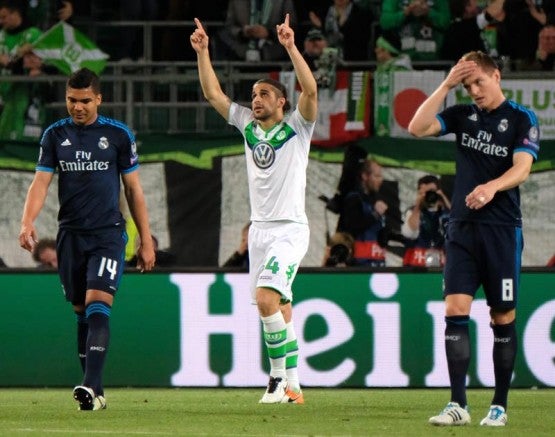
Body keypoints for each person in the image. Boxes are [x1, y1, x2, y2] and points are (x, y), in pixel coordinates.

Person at [408, 50, 539, 426]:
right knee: (454, 311)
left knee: (502, 316)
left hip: (502, 230)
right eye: (467, 85)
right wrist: (446, 85)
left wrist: (491, 188)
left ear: (496, 75)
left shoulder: (521, 118)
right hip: (462, 228)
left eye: (478, 82)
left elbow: (523, 168)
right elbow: (416, 127)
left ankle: (498, 405)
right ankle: (458, 405)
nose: (474, 90)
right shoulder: (463, 115)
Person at [190, 14, 317, 403]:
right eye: (252, 94)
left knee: (265, 300)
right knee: (280, 304)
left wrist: (291, 47)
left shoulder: (298, 127)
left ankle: (276, 379)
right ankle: (294, 383)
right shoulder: (247, 125)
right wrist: (203, 51)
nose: (255, 100)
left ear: (281, 101)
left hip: (290, 227)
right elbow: (214, 95)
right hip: (260, 230)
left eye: (263, 94)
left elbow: (310, 90)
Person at [18, 67, 156, 411]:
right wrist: (27, 221)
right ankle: (94, 395)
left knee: (98, 306)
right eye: (71, 100)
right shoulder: (54, 135)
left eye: (84, 101)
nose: (77, 107)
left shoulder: (119, 135)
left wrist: (146, 239)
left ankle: (91, 385)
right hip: (70, 237)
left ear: (98, 99)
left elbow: (134, 189)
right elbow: (41, 183)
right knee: (81, 311)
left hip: (107, 235)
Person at [0, 0, 43, 140]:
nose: (1, 21)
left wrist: (22, 55)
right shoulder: (0, 35)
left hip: (24, 91)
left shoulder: (33, 34)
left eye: (4, 17)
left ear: (15, 14)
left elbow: (43, 60)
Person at [337, 158, 389, 267]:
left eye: (381, 176)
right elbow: (352, 227)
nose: (381, 180)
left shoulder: (378, 200)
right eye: (377, 176)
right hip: (358, 266)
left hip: (378, 264)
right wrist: (375, 215)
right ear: (365, 176)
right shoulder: (354, 199)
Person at [214, 0, 297, 61]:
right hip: (241, 53)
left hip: (275, 54)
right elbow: (229, 26)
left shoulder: (283, 2)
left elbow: (291, 25)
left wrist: (268, 33)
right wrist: (242, 32)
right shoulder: (236, 2)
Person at [401, 175, 451, 267]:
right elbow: (409, 233)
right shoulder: (412, 212)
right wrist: (418, 204)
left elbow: (457, 229)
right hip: (416, 266)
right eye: (425, 192)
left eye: (432, 191)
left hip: (440, 266)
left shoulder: (445, 213)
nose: (429, 195)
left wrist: (443, 198)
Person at [379, 0, 451, 61]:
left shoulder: (439, 2)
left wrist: (428, 12)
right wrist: (406, 12)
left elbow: (446, 22)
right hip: (400, 60)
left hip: (433, 59)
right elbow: (385, 22)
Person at [373, 30, 412, 137]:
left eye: (378, 47)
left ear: (386, 50)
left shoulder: (401, 70)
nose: (375, 50)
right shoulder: (380, 69)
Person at [308, 0, 373, 61]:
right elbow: (321, 36)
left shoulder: (362, 13)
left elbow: (362, 40)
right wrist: (319, 27)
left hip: (352, 61)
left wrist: (343, 27)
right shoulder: (324, 12)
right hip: (327, 59)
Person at [441, 0, 506, 61]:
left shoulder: (455, 27)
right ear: (467, 7)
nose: (476, 3)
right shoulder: (465, 26)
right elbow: (493, 12)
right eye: (473, 1)